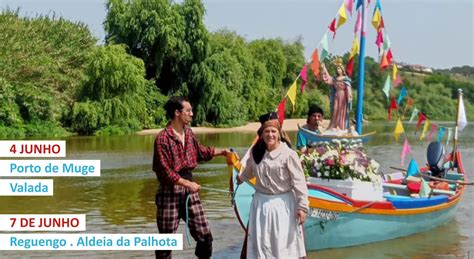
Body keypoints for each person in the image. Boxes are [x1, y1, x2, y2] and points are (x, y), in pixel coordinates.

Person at [152, 96, 230, 259]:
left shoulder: (189, 133)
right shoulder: (162, 139)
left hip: (189, 191)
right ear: (177, 113)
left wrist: (222, 152)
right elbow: (164, 172)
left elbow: (201, 152)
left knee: (205, 237)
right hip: (169, 193)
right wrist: (187, 184)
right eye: (188, 111)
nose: (192, 114)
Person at [238, 112, 308, 258]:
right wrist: (240, 179)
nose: (270, 135)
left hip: (283, 205)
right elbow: (250, 171)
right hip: (260, 204)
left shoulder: (289, 155)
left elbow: (299, 182)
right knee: (262, 243)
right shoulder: (256, 153)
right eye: (267, 131)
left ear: (279, 133)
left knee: (282, 243)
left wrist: (302, 207)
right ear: (261, 134)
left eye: (273, 131)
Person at [321, 57, 353, 131]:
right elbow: (328, 79)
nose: (338, 70)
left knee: (342, 110)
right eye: (337, 69)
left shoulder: (346, 79)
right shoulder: (335, 79)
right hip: (336, 96)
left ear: (342, 70)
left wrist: (349, 96)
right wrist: (324, 68)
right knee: (335, 109)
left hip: (343, 97)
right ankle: (334, 126)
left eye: (339, 69)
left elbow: (348, 88)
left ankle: (341, 127)